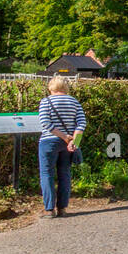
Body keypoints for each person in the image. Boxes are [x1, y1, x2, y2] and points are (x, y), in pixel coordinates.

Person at [38, 76, 87, 218]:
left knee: (47, 174)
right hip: (68, 144)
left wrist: (63, 136)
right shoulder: (74, 102)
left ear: (51, 87)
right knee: (64, 173)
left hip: (49, 141)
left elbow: (45, 123)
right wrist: (73, 141)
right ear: (66, 87)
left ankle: (49, 209)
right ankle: (62, 209)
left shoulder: (46, 101)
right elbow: (81, 123)